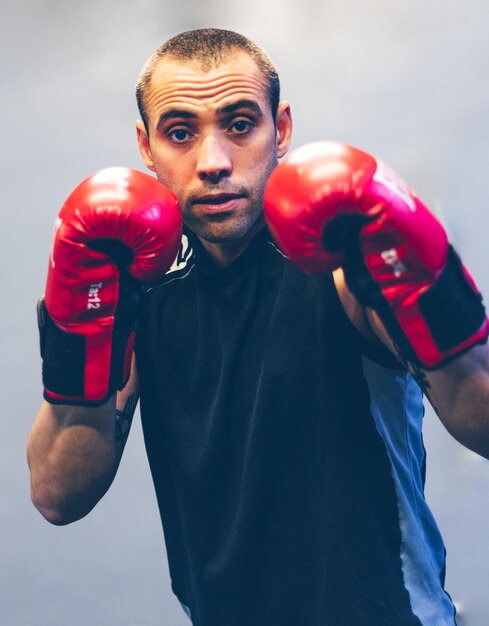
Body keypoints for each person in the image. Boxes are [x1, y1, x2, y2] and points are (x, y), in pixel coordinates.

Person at [27, 28, 489, 626]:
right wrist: (84, 332)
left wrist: (423, 289)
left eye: (240, 124)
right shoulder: (135, 292)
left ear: (283, 130)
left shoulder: (344, 269)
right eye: (180, 133)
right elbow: (57, 494)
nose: (214, 162)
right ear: (146, 147)